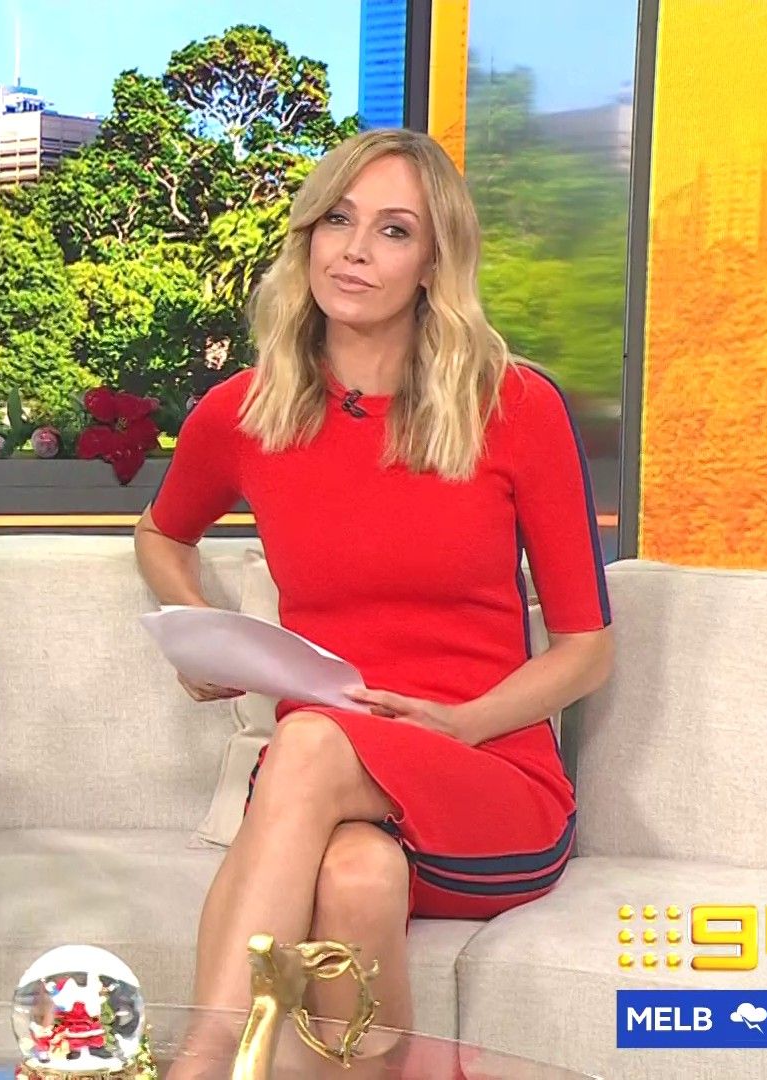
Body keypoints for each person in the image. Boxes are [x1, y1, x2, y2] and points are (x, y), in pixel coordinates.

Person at [134, 129, 614, 1061]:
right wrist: (196, 631)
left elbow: (587, 647)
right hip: (329, 784)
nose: (354, 250)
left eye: (394, 231)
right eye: (338, 221)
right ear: (308, 237)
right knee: (355, 878)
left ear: (434, 264)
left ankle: (202, 1062)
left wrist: (462, 724)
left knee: (308, 743)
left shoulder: (516, 407)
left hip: (484, 770)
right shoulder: (244, 412)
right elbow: (160, 532)